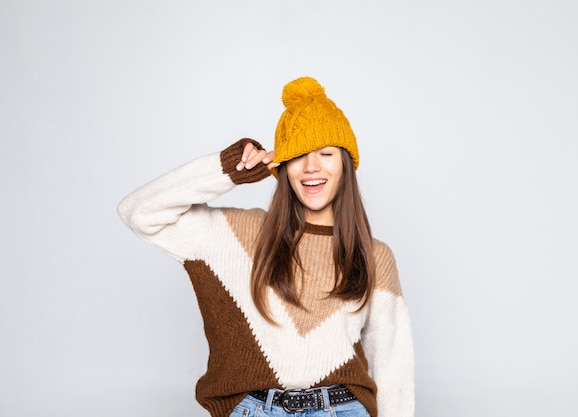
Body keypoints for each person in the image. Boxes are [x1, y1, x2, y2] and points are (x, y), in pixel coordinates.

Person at [117, 76, 415, 417]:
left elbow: (393, 367)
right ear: (283, 166)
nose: (312, 166)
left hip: (342, 409)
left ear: (345, 164)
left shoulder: (374, 255)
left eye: (326, 153)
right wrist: (230, 169)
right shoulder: (237, 233)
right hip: (255, 410)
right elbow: (139, 212)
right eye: (298, 155)